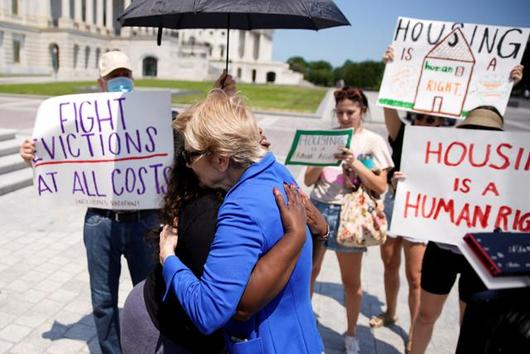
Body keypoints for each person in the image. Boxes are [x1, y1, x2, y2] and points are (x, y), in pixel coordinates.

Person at [120, 125, 329, 353]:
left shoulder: (275, 180)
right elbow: (229, 308)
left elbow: (301, 272)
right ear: (222, 158)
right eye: (249, 130)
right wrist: (168, 257)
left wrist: (319, 234)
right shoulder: (215, 212)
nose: (261, 133)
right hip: (163, 332)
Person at [19, 50, 159, 354]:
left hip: (145, 221)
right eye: (113, 77)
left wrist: (223, 96)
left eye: (125, 75)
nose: (121, 81)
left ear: (133, 78)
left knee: (149, 296)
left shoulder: (153, 115)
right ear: (101, 82)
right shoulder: (82, 118)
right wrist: (34, 155)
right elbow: (60, 157)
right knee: (103, 301)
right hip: (100, 221)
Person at [408, 65, 524, 354]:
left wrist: (510, 84)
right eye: (474, 129)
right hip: (442, 251)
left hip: (481, 255)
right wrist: (406, 181)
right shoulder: (446, 160)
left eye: (487, 131)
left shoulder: (509, 170)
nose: (479, 135)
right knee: (425, 315)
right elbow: (422, 191)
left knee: (470, 322)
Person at [369, 46, 447, 353]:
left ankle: (416, 330)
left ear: (441, 120)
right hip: (394, 206)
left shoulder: (450, 142)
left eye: (433, 118)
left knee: (416, 277)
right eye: (423, 116)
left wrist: (506, 85)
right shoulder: (402, 133)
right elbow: (388, 107)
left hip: (422, 214)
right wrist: (390, 67)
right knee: (389, 265)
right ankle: (390, 311)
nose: (427, 121)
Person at [305, 86, 394, 354]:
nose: (344, 118)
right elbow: (309, 179)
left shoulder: (372, 141)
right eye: (340, 112)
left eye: (350, 112)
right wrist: (323, 159)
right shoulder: (327, 136)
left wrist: (354, 163)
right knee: (308, 272)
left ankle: (352, 332)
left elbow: (380, 186)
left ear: (362, 111)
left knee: (351, 282)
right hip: (319, 207)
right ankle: (306, 326)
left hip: (351, 215)